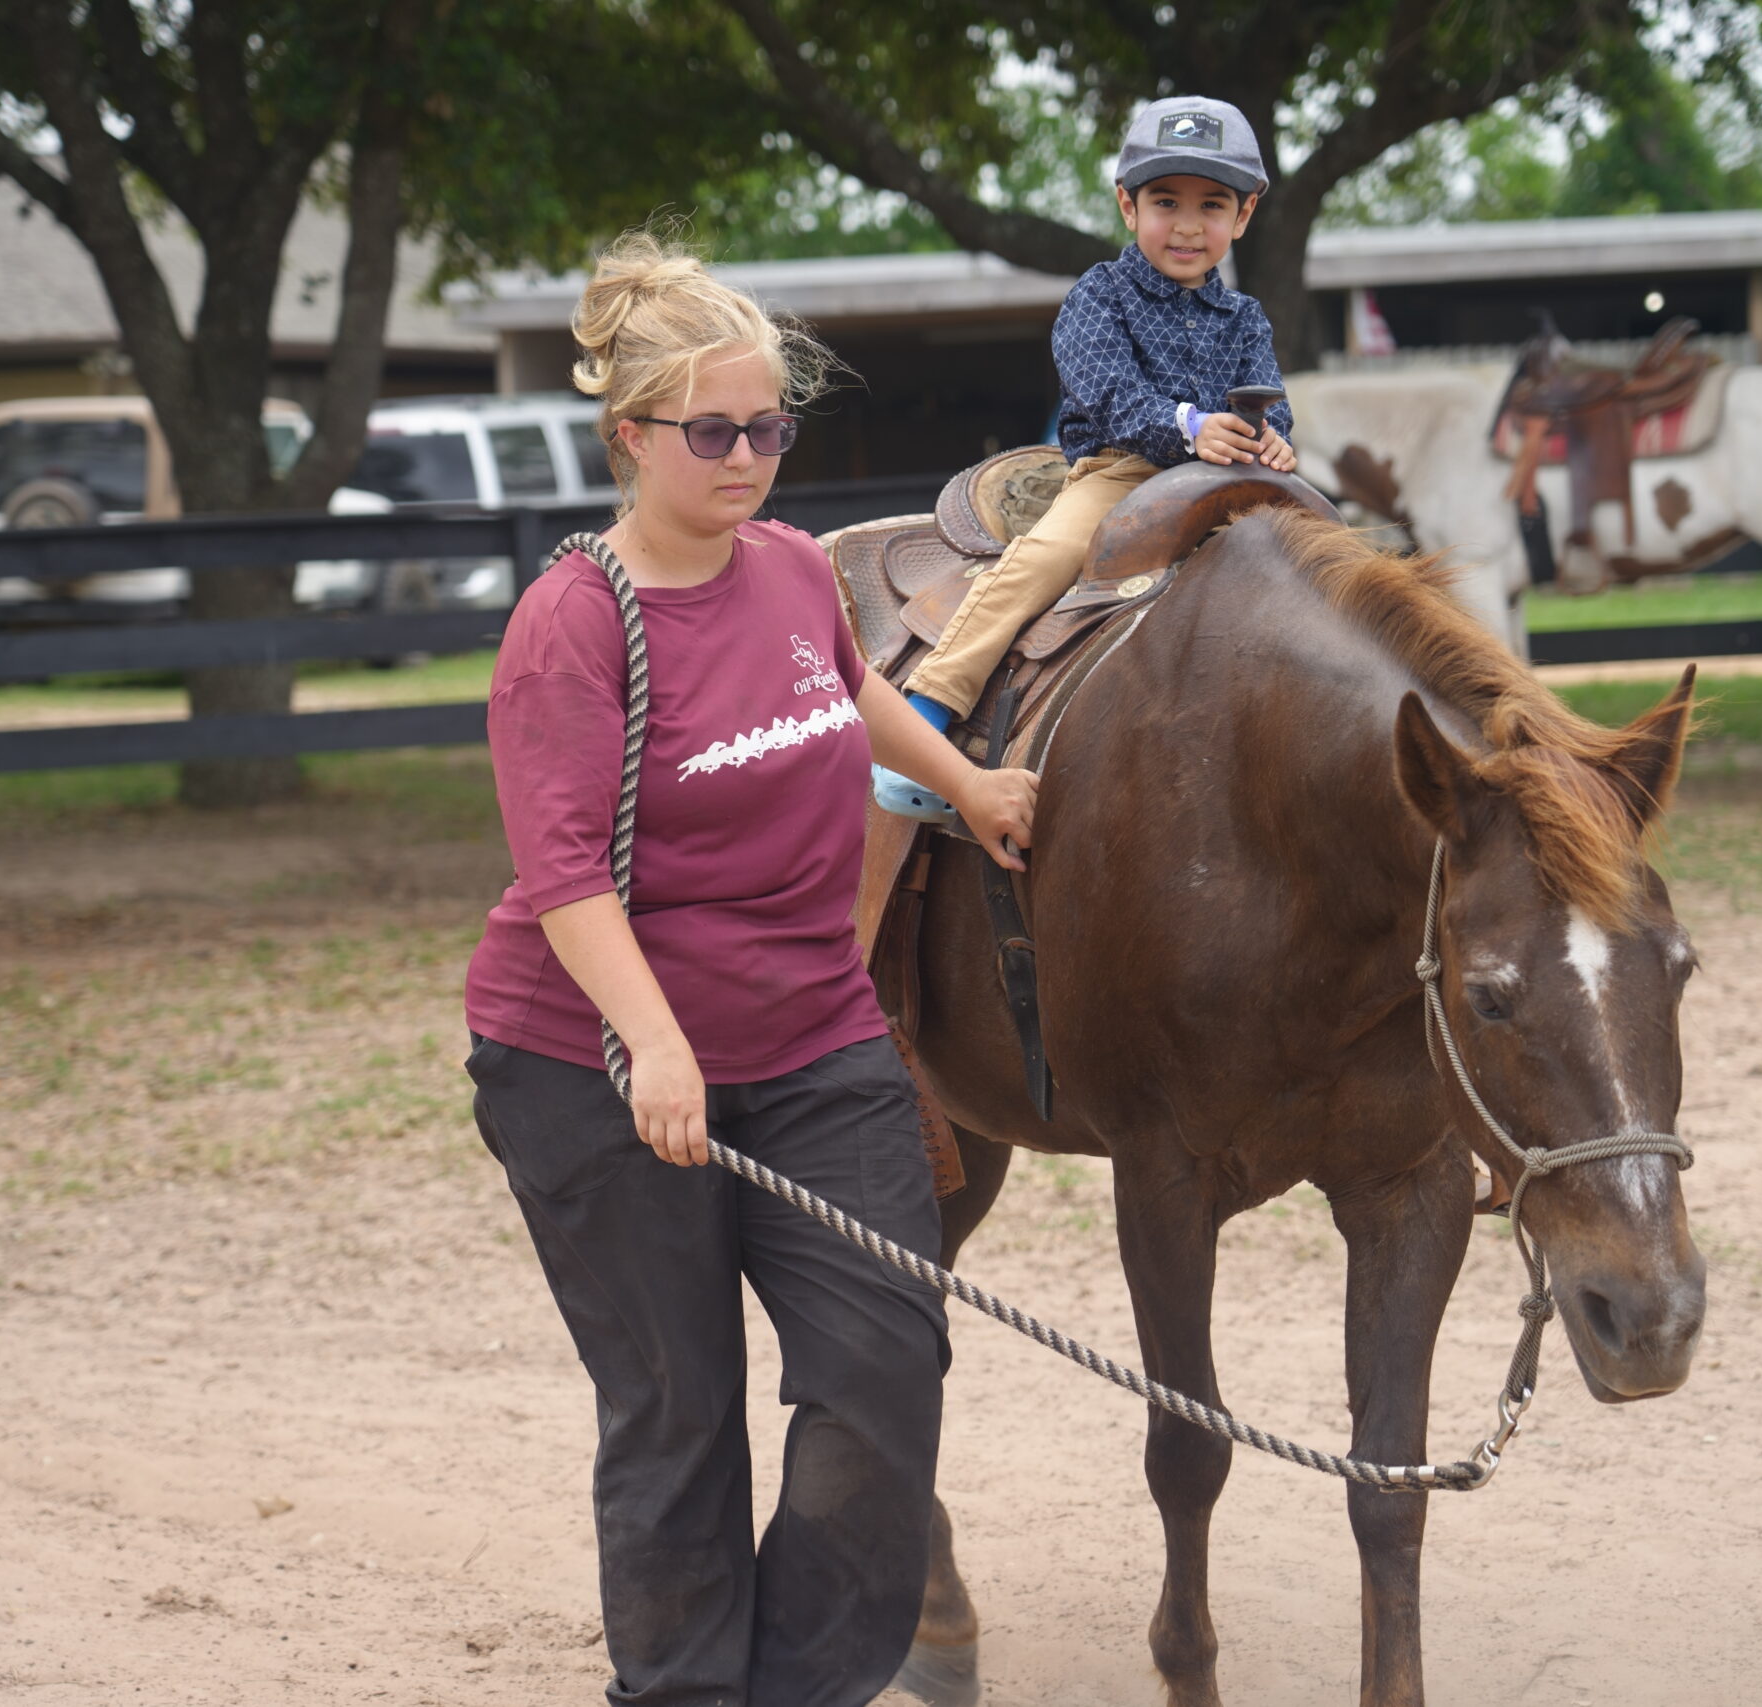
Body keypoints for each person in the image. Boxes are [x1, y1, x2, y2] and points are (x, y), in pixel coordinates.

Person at [461, 229, 1038, 1707]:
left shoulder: (788, 568)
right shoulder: (573, 623)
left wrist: (965, 784)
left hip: (814, 1040)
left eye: (768, 428)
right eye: (711, 432)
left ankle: (797, 1685)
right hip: (592, 1063)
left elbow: (847, 690)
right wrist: (657, 1043)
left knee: (885, 1367)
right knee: (680, 1409)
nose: (745, 458)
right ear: (630, 435)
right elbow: (563, 875)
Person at [874, 95, 1301, 821]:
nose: (1188, 225)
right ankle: (924, 719)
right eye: (1166, 202)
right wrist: (1188, 424)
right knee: (1042, 561)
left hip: (1229, 481)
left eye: (1211, 205)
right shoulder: (1100, 295)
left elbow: (1270, 398)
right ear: (1128, 206)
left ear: (1244, 215)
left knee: (1322, 564)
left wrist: (1273, 438)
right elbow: (1106, 391)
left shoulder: (1247, 317)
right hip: (1124, 474)